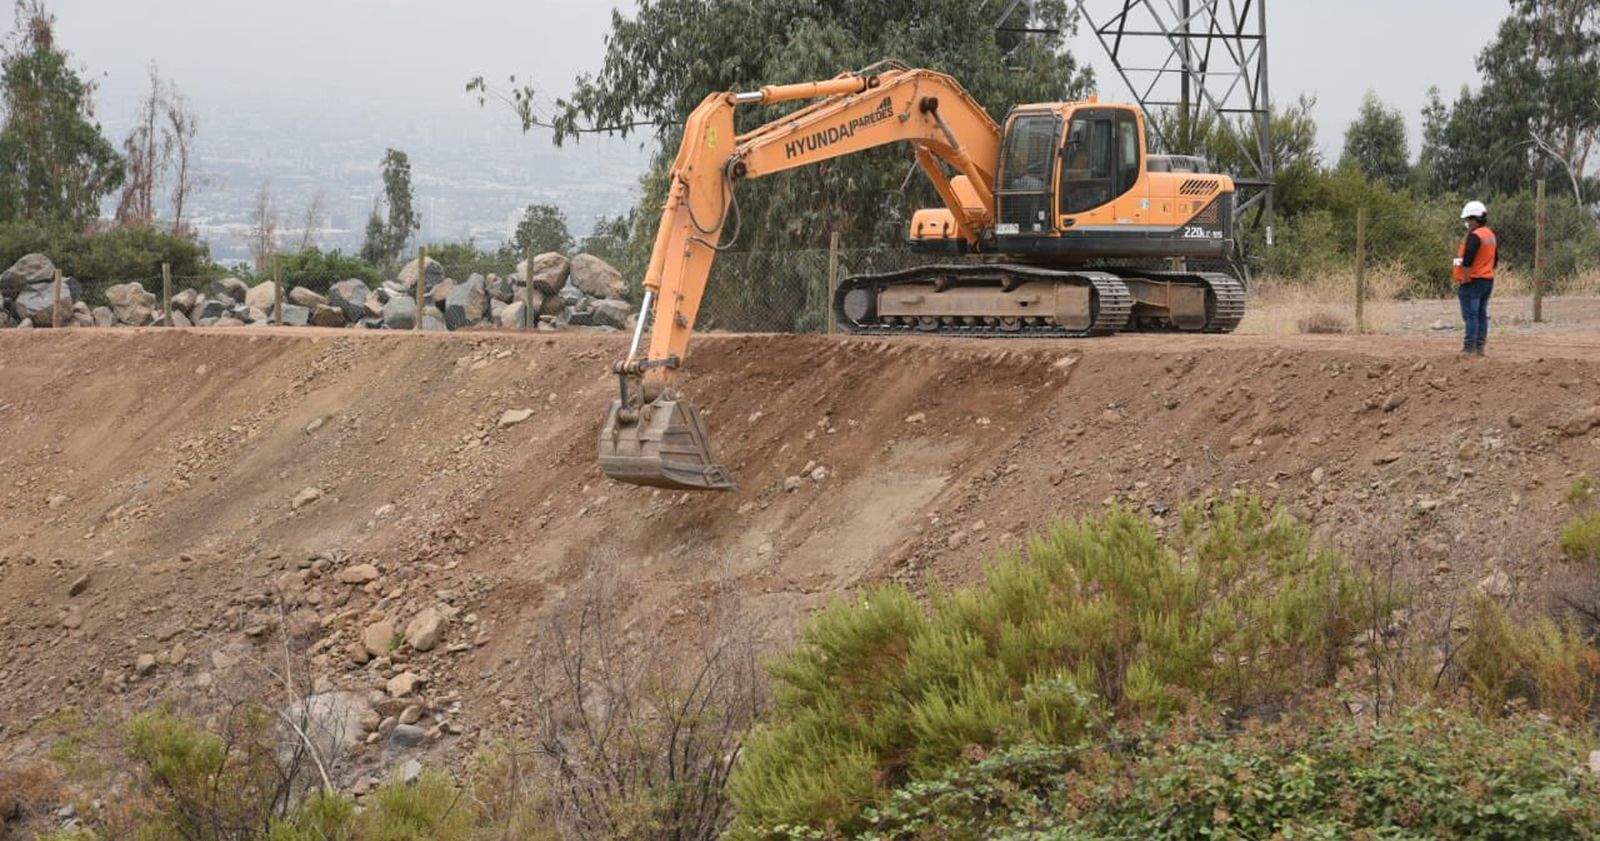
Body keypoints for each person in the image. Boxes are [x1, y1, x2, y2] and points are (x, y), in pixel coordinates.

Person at [1452, 200, 1497, 356]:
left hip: (1473, 281)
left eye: (1468, 219)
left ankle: (1469, 348)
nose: (1467, 223)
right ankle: (1479, 347)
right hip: (1487, 280)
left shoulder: (1475, 236)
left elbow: (1468, 259)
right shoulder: (1490, 234)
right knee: (1481, 314)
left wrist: (1465, 278)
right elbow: (1495, 260)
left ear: (1474, 218)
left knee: (1471, 315)